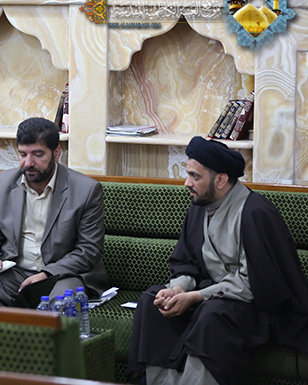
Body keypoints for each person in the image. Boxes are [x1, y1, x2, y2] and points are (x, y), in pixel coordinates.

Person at [127, 137, 308, 385]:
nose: (187, 182)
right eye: (188, 174)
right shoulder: (198, 207)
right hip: (211, 299)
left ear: (221, 180)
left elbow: (256, 283)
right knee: (152, 302)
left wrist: (196, 297)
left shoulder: (255, 212)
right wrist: (178, 289)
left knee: (213, 314)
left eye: (195, 176)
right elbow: (186, 262)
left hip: (255, 307)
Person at [0, 117, 107, 306]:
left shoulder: (86, 190)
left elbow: (89, 249)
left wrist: (46, 274)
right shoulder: (2, 184)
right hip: (15, 271)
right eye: (22, 154)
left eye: (38, 154)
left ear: (56, 153)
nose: (28, 163)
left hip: (62, 274)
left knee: (62, 299)